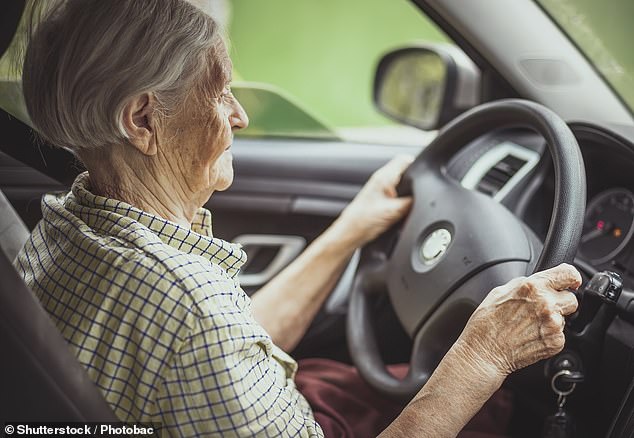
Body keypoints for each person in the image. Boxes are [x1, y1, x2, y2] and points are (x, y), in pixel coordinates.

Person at [15, 0, 581, 436]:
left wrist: (351, 230)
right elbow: (202, 333)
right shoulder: (188, 307)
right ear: (142, 120)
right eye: (220, 93)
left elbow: (219, 348)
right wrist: (485, 353)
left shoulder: (66, 224)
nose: (238, 115)